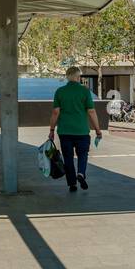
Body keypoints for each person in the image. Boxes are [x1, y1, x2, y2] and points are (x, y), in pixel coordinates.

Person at [50, 65, 102, 193]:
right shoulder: (84, 91)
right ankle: (81, 173)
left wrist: (51, 130)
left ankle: (72, 184)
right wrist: (98, 130)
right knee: (83, 155)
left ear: (67, 77)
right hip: (82, 131)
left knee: (68, 157)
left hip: (65, 132)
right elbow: (91, 111)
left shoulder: (60, 91)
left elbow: (56, 112)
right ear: (78, 77)